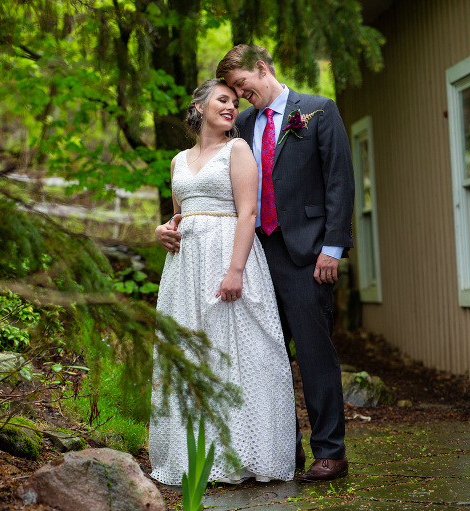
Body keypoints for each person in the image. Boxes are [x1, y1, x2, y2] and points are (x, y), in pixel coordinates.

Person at [170, 44, 356, 482]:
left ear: (262, 68)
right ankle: (280, 453)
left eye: (241, 86)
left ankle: (330, 452)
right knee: (265, 357)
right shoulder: (244, 124)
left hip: (306, 254)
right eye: (230, 92)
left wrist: (333, 247)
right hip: (253, 255)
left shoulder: (318, 111)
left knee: (313, 354)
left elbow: (339, 182)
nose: (238, 97)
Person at [148, 78, 295, 486]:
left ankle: (244, 455)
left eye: (234, 101)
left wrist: (235, 270)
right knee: (192, 353)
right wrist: (162, 229)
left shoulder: (238, 150)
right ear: (199, 107)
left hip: (230, 257)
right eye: (222, 100)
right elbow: (179, 215)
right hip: (185, 268)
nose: (231, 107)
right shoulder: (178, 161)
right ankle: (191, 455)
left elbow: (248, 213)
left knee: (237, 353)